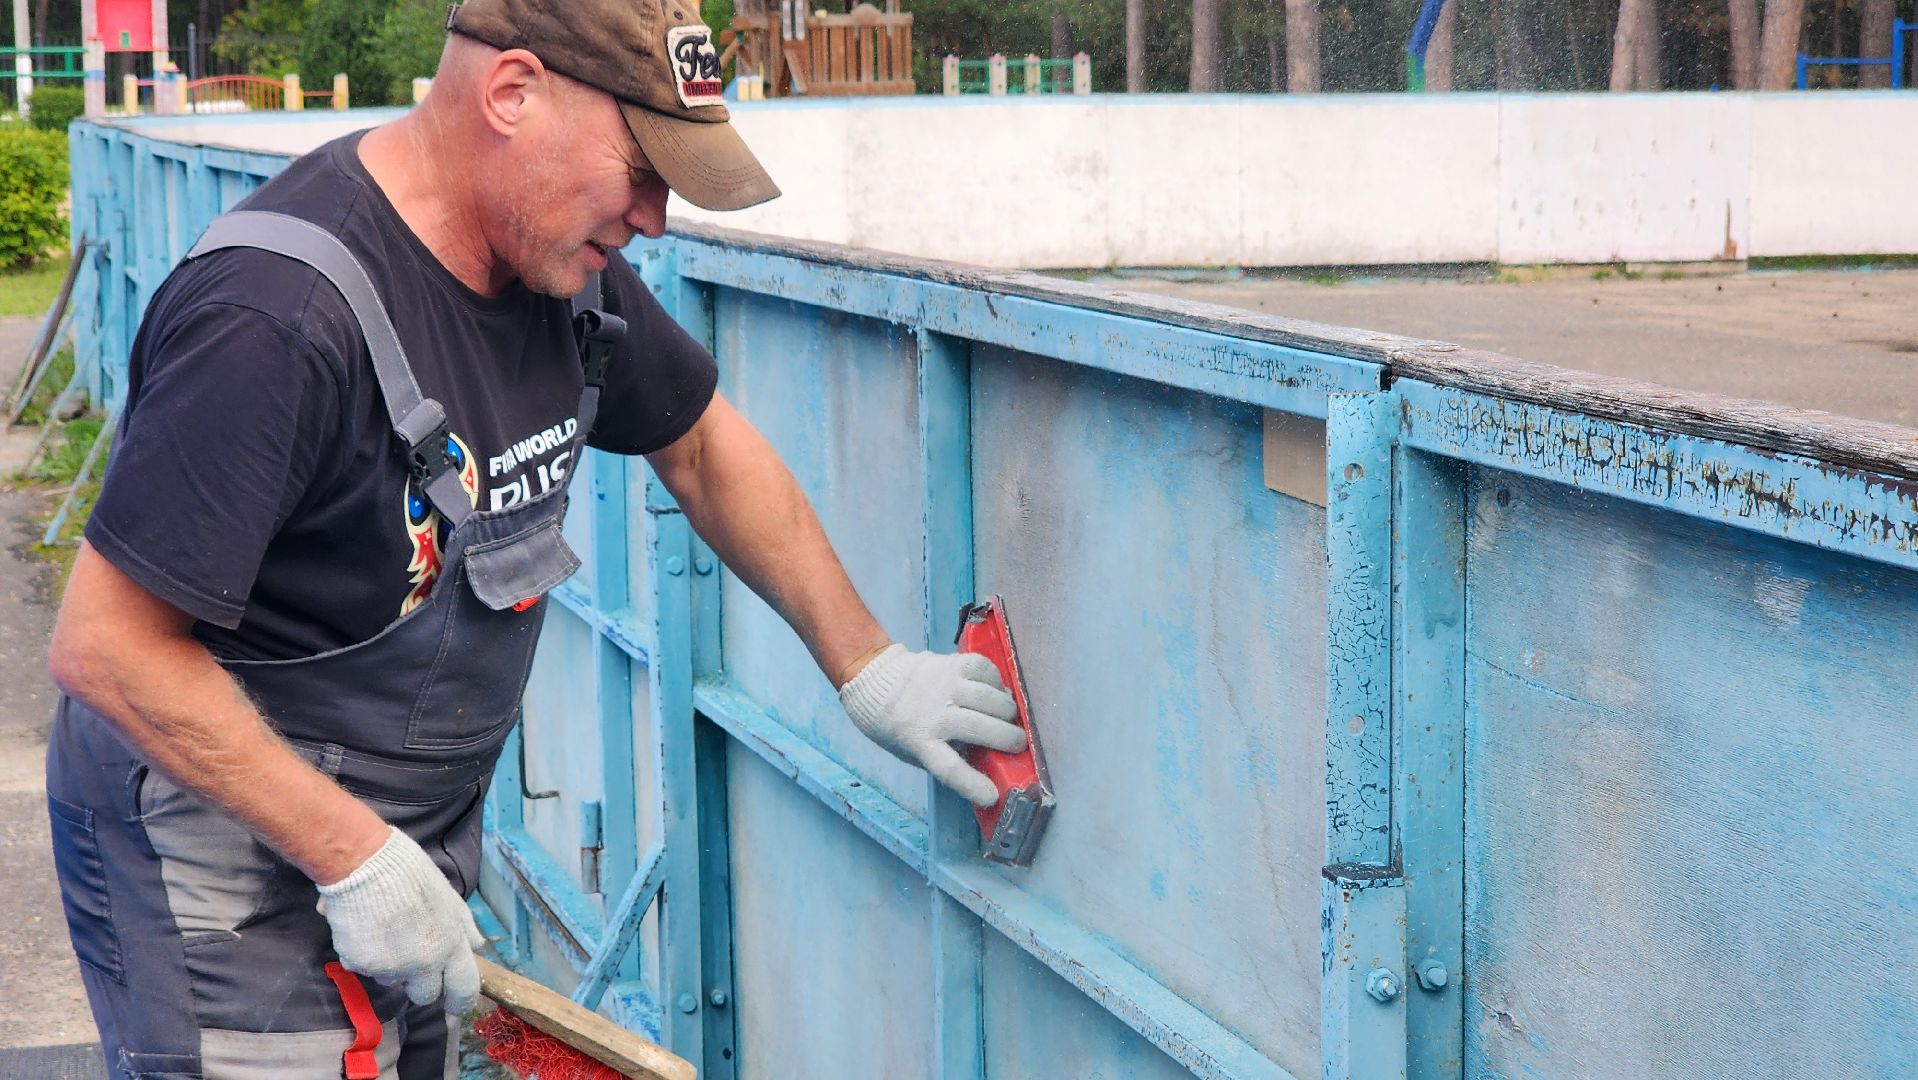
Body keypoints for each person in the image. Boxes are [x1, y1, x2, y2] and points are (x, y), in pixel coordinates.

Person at [42, 1, 1026, 1076]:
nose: (655, 217)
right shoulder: (277, 317)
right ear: (512, 94)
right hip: (215, 842)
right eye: (641, 167)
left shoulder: (563, 276)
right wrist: (356, 856)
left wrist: (868, 669)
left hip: (396, 839)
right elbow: (107, 647)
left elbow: (701, 446)